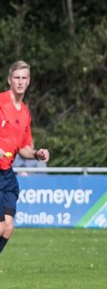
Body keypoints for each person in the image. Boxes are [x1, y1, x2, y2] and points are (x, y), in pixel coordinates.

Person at [0, 61, 51, 257]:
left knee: (8, 228)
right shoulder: (1, 102)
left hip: (7, 174)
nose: (20, 82)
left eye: (24, 78)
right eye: (16, 78)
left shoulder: (25, 113)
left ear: (28, 81)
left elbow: (24, 148)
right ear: (9, 80)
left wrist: (37, 154)